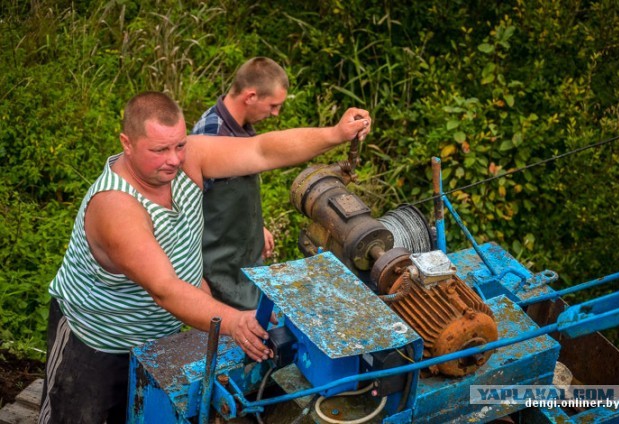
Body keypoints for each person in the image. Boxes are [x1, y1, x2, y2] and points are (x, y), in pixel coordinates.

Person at [38, 91, 370, 423]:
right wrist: (236, 321)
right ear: (127, 143)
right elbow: (164, 288)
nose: (173, 159)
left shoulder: (189, 159)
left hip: (161, 341)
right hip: (99, 345)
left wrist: (335, 134)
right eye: (159, 150)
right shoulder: (116, 206)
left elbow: (261, 150)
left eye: (178, 145)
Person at [192, 57, 288, 310]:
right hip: (219, 268)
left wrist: (259, 228)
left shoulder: (242, 126)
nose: (276, 113)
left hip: (243, 255)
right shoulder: (212, 135)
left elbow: (240, 194)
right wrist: (193, 275)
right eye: (273, 105)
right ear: (251, 96)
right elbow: (186, 214)